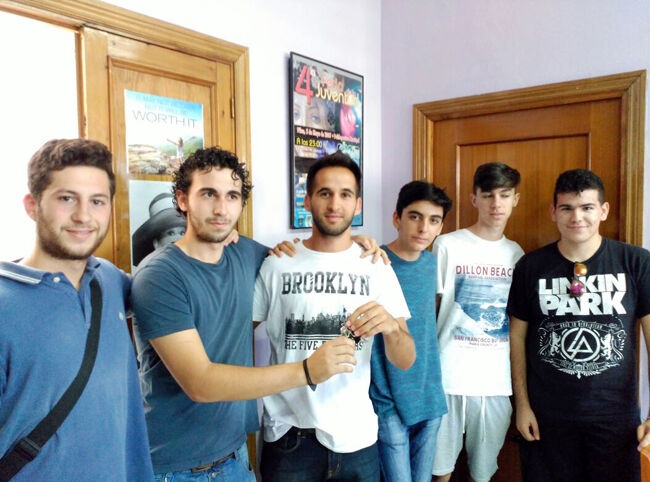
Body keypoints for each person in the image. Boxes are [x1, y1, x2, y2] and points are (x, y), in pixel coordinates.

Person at [130, 146, 377, 480]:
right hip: (176, 466)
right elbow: (201, 383)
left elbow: (311, 255)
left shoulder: (247, 254)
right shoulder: (159, 275)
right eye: (208, 194)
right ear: (183, 200)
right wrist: (307, 370)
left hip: (235, 455)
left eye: (232, 196)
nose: (221, 208)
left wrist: (354, 242)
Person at [253, 150, 416, 481]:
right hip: (288, 436)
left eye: (345, 195)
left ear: (357, 205)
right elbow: (236, 333)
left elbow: (406, 359)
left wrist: (391, 328)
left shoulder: (376, 265)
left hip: (357, 438)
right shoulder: (277, 263)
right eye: (325, 193)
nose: (334, 204)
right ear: (308, 200)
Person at [0, 139, 153, 480]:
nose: (83, 215)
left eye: (97, 201)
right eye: (66, 198)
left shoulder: (109, 280)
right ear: (32, 205)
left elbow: (167, 288)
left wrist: (220, 240)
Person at [507, 168, 650, 482]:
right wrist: (522, 405)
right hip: (546, 418)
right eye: (567, 208)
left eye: (587, 207)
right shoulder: (530, 266)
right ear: (553, 212)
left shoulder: (636, 262)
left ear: (603, 210)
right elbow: (516, 338)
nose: (577, 217)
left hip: (616, 418)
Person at [432, 162, 523, 482]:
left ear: (515, 199)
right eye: (488, 195)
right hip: (446, 378)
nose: (496, 204)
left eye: (504, 195)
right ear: (474, 199)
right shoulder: (447, 245)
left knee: (482, 474)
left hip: (494, 383)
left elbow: (517, 322)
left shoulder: (516, 254)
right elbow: (432, 309)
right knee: (439, 471)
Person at [371, 180, 452, 482]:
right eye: (415, 216)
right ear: (397, 218)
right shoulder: (374, 262)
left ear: (441, 227)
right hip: (387, 399)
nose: (423, 228)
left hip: (429, 395)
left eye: (433, 220)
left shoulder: (432, 264)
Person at [131, 191, 186, 266]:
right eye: (170, 233)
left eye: (182, 233)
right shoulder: (153, 269)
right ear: (156, 243)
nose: (177, 238)